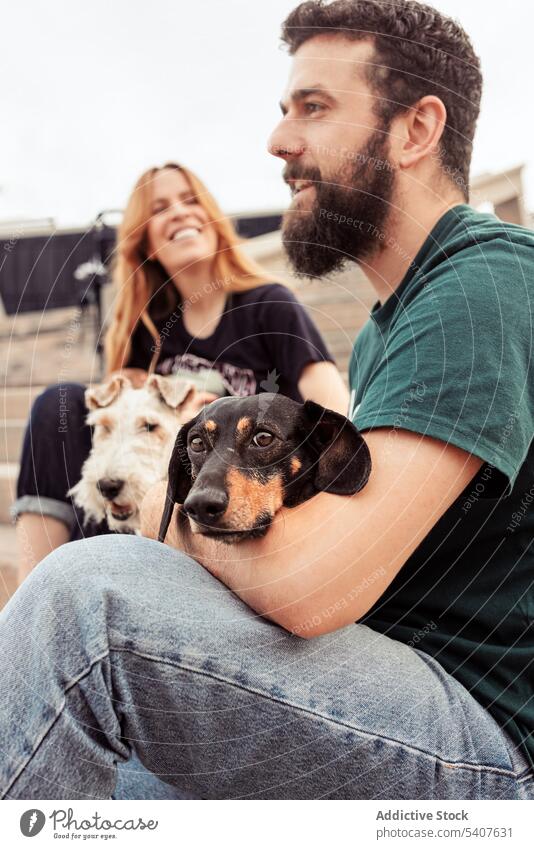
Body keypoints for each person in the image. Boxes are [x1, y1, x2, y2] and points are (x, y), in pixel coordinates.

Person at [1, 0, 533, 800]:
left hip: (482, 736)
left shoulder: (482, 284)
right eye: (285, 110)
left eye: (312, 108)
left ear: (416, 130)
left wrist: (165, 510)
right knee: (110, 781)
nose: (278, 141)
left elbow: (315, 583)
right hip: (382, 680)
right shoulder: (388, 326)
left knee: (85, 604)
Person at [12, 162, 348, 582]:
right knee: (54, 406)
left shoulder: (268, 304)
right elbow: (119, 432)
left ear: (211, 218)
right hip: (152, 501)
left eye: (190, 201)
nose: (179, 212)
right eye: (160, 208)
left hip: (231, 497)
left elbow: (331, 406)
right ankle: (33, 592)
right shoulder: (147, 325)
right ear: (145, 238)